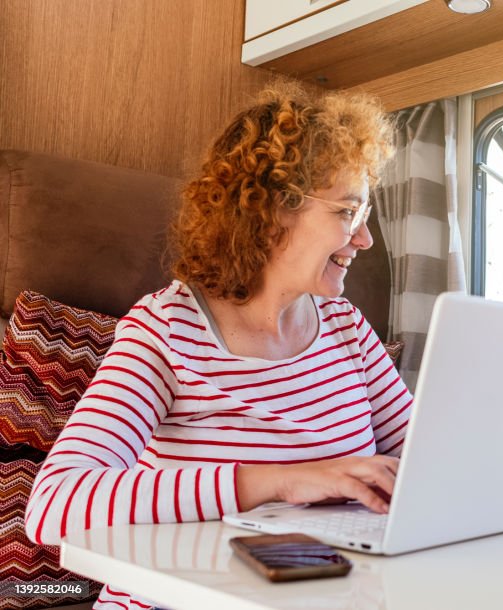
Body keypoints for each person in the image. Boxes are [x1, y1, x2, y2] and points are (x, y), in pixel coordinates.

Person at [24, 79, 412, 610]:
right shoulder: (165, 330)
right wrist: (279, 483)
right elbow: (54, 504)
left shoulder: (345, 327)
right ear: (273, 210)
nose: (364, 239)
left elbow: (424, 457)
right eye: (347, 213)